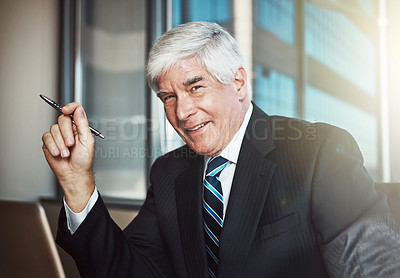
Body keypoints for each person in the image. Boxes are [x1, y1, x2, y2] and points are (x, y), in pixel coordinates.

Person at [42, 21, 400, 278]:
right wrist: (77, 183)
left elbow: (372, 268)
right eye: (168, 97)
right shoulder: (169, 172)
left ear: (239, 83)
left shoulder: (319, 152)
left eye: (195, 88)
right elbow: (126, 269)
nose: (181, 113)